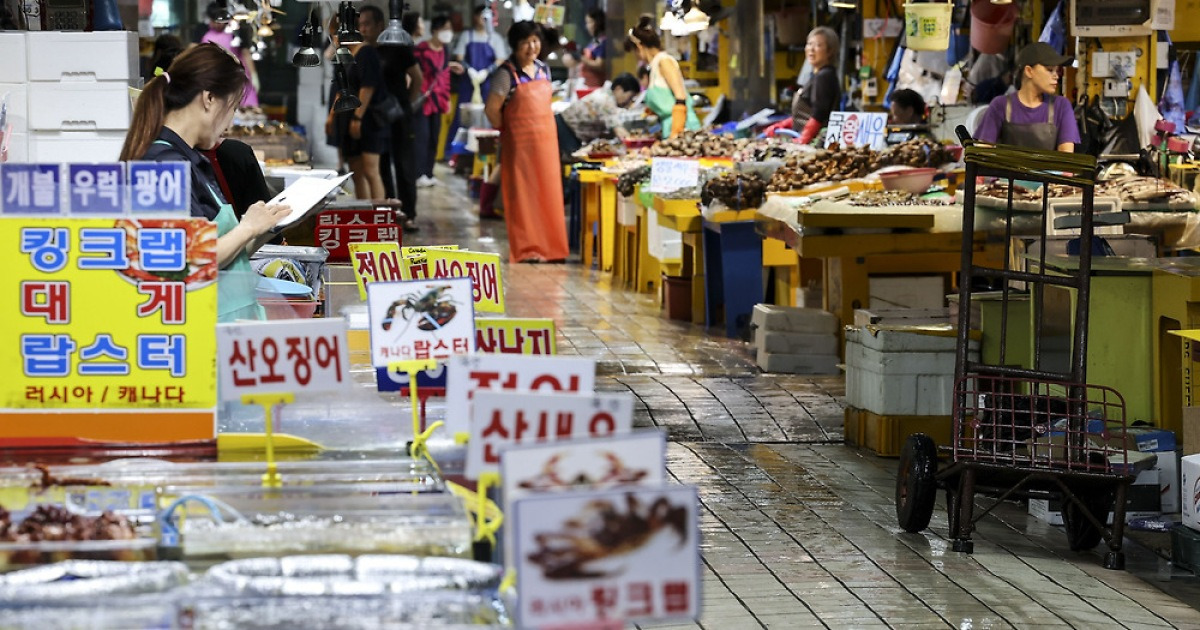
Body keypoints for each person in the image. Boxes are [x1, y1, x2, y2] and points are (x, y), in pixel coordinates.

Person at [119, 44, 291, 322]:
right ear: (209, 98)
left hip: (222, 325)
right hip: (198, 332)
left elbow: (221, 254)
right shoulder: (163, 165)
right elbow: (188, 260)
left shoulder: (190, 160)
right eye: (232, 107)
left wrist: (263, 229)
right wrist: (248, 226)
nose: (231, 120)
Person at [484, 21, 568, 263]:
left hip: (547, 145)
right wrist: (506, 129)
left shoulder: (544, 69)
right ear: (515, 46)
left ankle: (552, 248)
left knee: (549, 194)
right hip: (519, 146)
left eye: (535, 41)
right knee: (522, 197)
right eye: (525, 43)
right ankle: (528, 249)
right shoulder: (505, 73)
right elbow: (492, 109)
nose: (532, 47)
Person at [327, 9, 389, 200]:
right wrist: (331, 117)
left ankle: (380, 214)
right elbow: (341, 89)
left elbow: (367, 88)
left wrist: (357, 118)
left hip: (367, 121)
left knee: (371, 170)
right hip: (348, 120)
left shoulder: (366, 53)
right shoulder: (347, 56)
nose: (336, 38)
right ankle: (364, 211)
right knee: (357, 172)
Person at [973, 42, 1079, 152]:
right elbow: (983, 153)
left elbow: (1066, 158)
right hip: (1008, 169)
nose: (1056, 76)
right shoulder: (1000, 105)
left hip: (1049, 170)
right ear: (1029, 71)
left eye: (1057, 71)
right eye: (1050, 69)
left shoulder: (1061, 106)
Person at [373, 6, 424, 232]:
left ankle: (409, 213)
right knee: (382, 165)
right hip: (377, 116)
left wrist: (406, 104)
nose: (363, 29)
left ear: (378, 24)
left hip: (400, 115)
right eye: (360, 24)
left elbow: (417, 78)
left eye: (367, 24)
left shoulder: (398, 46)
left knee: (405, 164)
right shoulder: (366, 50)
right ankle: (391, 211)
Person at [625, 14, 698, 139]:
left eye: (634, 52)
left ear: (639, 47)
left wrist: (677, 131)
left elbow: (680, 96)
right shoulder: (654, 65)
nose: (636, 57)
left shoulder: (664, 61)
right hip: (668, 128)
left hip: (684, 129)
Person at [448, 5, 508, 142]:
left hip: (488, 84)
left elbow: (501, 59)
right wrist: (469, 70)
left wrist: (487, 71)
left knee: (486, 114)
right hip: (468, 83)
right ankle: (458, 150)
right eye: (482, 16)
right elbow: (459, 56)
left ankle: (484, 148)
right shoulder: (466, 35)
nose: (485, 19)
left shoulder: (495, 38)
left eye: (488, 17)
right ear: (475, 17)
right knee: (463, 115)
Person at [414, 15, 461, 187]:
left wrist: (446, 98)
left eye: (450, 29)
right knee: (422, 138)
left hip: (438, 101)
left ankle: (428, 172)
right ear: (435, 30)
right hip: (423, 100)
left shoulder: (445, 51)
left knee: (434, 138)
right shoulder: (421, 49)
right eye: (445, 28)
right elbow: (416, 75)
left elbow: (444, 76)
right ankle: (418, 174)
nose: (448, 32)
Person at [556, 72, 640, 158]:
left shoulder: (605, 94)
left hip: (568, 129)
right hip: (565, 130)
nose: (629, 102)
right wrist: (635, 145)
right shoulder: (606, 101)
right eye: (630, 97)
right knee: (570, 162)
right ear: (619, 89)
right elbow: (619, 131)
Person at [199, 1, 259, 107]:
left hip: (239, 78)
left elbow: (246, 53)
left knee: (246, 110)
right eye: (214, 21)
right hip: (216, 79)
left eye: (220, 21)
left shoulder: (236, 31)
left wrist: (254, 75)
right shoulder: (204, 34)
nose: (217, 24)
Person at [563, 9, 607, 89]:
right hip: (586, 84)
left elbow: (599, 65)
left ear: (597, 22)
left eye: (589, 22)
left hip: (596, 86)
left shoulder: (603, 42)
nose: (587, 26)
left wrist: (581, 57)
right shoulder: (594, 41)